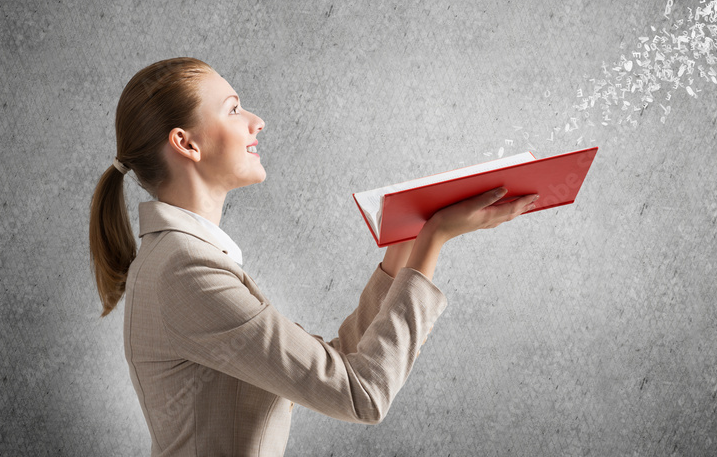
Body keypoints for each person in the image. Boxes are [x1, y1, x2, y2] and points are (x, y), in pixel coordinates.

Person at [88, 57, 539, 456]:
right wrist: (436, 238)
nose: (256, 120)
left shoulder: (180, 258)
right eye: (233, 109)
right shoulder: (187, 271)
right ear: (187, 144)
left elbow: (336, 364)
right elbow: (363, 395)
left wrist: (408, 244)